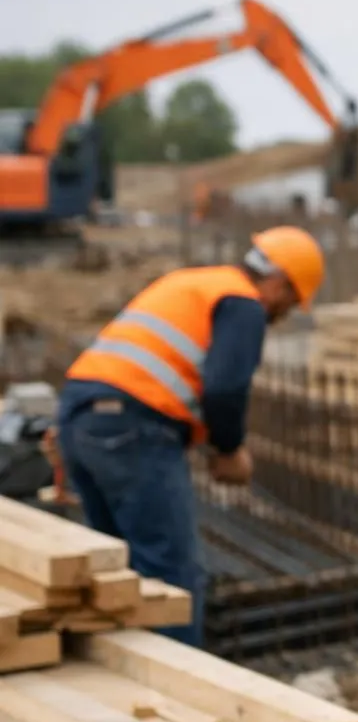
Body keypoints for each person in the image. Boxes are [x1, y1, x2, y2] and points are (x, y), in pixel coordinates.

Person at [55, 225, 326, 648]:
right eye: (290, 303)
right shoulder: (242, 304)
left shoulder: (192, 282)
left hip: (80, 420)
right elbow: (225, 388)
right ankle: (178, 698)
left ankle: (126, 680)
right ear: (278, 283)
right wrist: (229, 449)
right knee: (171, 576)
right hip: (132, 428)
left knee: (116, 570)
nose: (283, 315)